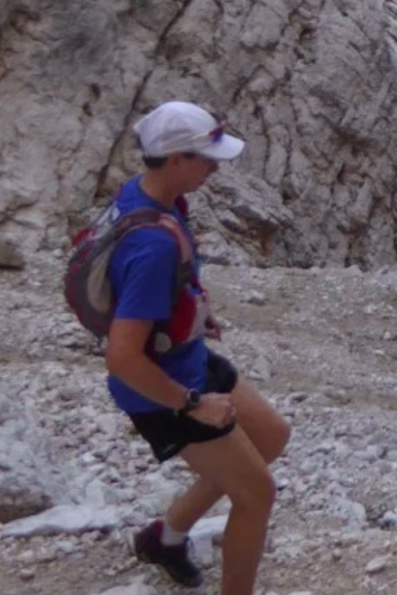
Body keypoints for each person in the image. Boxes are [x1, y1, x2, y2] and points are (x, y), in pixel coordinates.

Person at [103, 101, 290, 595]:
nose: (215, 168)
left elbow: (153, 289)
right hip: (165, 391)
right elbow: (121, 358)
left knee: (270, 438)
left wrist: (192, 308)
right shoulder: (152, 245)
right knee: (257, 494)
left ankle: (165, 539)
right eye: (207, 158)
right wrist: (193, 404)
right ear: (176, 159)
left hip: (187, 359)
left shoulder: (151, 200)